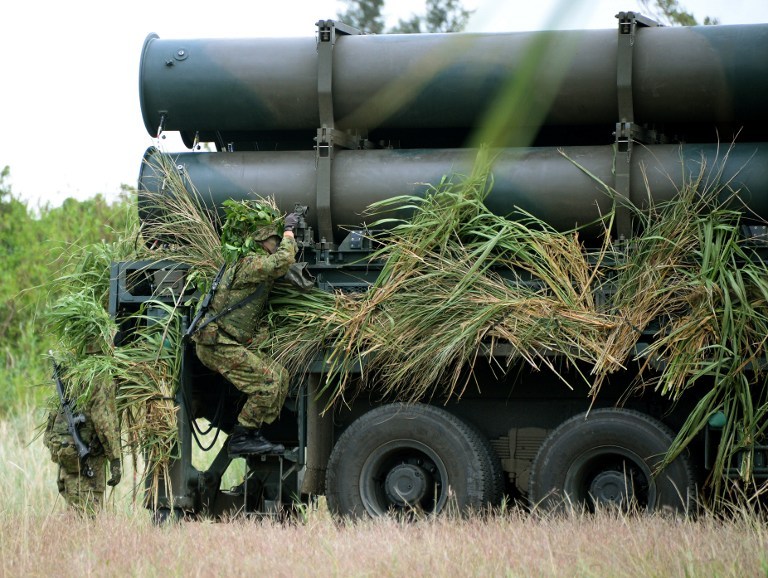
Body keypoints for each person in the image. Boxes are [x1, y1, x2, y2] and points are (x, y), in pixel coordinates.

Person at [192, 204, 299, 456]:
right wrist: (289, 233)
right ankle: (242, 437)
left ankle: (256, 432)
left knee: (280, 375)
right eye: (274, 240)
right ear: (263, 241)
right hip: (217, 344)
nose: (276, 244)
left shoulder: (248, 264)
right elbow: (281, 262)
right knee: (269, 382)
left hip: (226, 341)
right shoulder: (249, 263)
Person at [44, 358, 122, 515]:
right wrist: (115, 460)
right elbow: (104, 424)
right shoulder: (99, 377)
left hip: (68, 467)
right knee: (88, 522)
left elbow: (50, 427)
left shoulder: (70, 375)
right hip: (88, 467)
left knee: (76, 520)